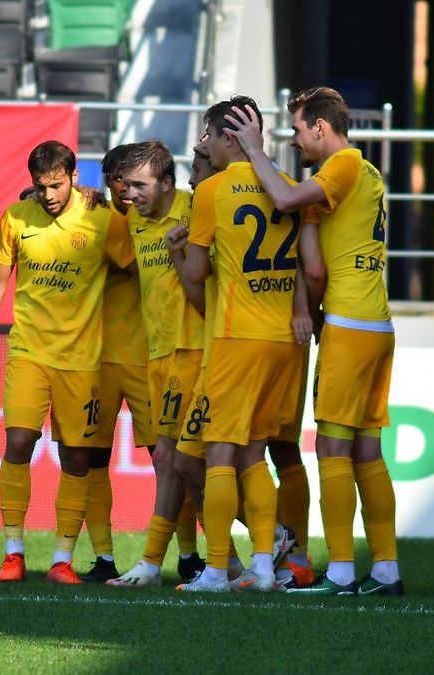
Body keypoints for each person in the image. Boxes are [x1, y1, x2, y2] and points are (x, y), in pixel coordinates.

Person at [222, 86, 402, 596]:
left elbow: (285, 205)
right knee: (367, 449)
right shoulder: (362, 174)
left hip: (348, 324)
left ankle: (341, 570)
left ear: (321, 126)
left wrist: (255, 149)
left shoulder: (342, 166)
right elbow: (316, 256)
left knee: (331, 447)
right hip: (376, 323)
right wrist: (309, 302)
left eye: (298, 130)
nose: (295, 141)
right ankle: (385, 569)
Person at [0, 140, 129, 585]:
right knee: (18, 442)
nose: (49, 195)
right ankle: (13, 552)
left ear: (75, 177)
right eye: (40, 187)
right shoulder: (16, 218)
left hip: (83, 360)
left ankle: (62, 559)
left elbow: (135, 264)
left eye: (56, 185)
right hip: (28, 352)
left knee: (75, 456)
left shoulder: (101, 218)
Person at [176, 95, 307, 593]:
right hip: (284, 341)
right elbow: (305, 265)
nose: (204, 145)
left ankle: (214, 571)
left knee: (219, 456)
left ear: (228, 137)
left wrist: (181, 250)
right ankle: (265, 566)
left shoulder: (212, 191)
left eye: (209, 136)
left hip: (235, 336)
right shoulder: (292, 188)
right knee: (254, 454)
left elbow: (194, 274)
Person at [104, 140, 208, 588]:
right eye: (126, 187)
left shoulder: (195, 209)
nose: (131, 195)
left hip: (197, 352)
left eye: (140, 186)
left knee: (194, 462)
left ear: (167, 183)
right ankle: (161, 564)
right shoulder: (134, 220)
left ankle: (265, 546)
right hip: (159, 356)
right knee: (172, 462)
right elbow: (104, 203)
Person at [76, 145, 156, 583]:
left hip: (148, 359)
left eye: (131, 179)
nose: (124, 188)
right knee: (92, 460)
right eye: (116, 179)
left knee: (171, 462)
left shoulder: (159, 219)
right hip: (97, 362)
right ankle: (103, 557)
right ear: (108, 180)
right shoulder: (94, 219)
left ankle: (184, 556)